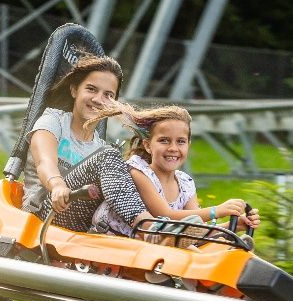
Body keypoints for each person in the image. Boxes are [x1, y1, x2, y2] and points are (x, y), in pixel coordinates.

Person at [22, 53, 150, 235]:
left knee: (132, 169)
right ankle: (149, 228)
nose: (98, 99)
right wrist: (57, 185)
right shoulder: (53, 121)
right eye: (91, 89)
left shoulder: (99, 147)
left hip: (84, 221)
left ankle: (166, 227)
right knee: (109, 155)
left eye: (108, 95)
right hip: (45, 209)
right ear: (75, 90)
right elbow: (44, 162)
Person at [105, 103, 260, 241]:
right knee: (189, 247)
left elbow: (196, 232)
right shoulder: (139, 172)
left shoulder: (185, 183)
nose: (173, 148)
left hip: (157, 245)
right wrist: (216, 211)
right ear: (148, 145)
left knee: (200, 246)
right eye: (164, 140)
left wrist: (232, 226)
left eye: (180, 141)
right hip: (118, 242)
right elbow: (165, 215)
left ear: (188, 145)